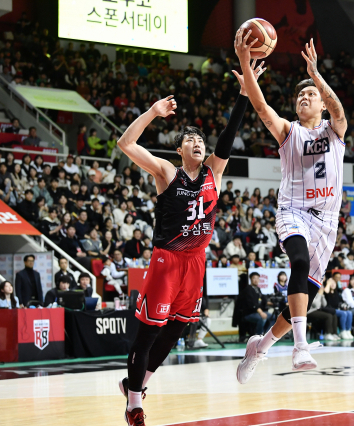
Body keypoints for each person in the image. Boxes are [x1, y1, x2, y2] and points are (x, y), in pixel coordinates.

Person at [116, 60, 265, 425]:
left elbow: (228, 135)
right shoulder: (167, 172)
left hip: (196, 262)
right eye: (190, 140)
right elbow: (125, 143)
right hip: (167, 260)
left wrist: (244, 95)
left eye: (200, 140)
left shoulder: (215, 171)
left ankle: (136, 384)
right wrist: (153, 112)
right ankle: (134, 405)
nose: (197, 143)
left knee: (175, 332)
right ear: (180, 150)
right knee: (149, 333)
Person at [235, 33, 347, 382]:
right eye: (300, 95)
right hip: (293, 210)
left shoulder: (335, 129)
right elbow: (261, 108)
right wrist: (245, 64)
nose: (304, 97)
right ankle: (300, 346)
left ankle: (261, 346)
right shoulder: (289, 131)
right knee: (298, 261)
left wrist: (316, 76)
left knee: (303, 297)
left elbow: (339, 109)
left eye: (310, 94)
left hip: (326, 222)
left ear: (322, 103)